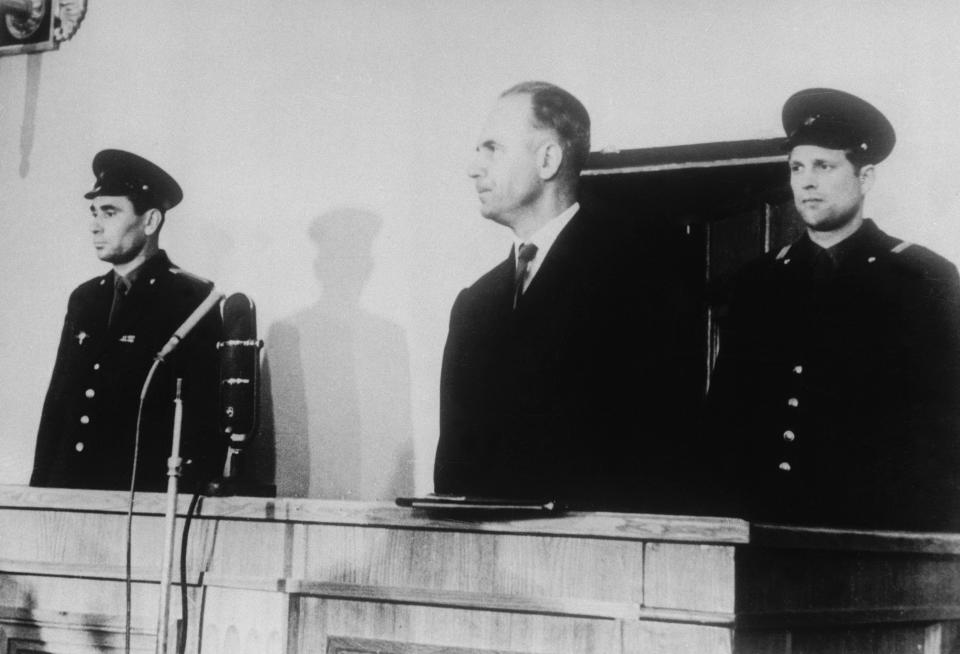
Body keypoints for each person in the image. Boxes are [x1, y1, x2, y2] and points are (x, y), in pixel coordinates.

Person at [433, 81, 697, 510]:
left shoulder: (637, 278)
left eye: (492, 148)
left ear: (548, 159)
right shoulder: (474, 304)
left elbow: (658, 453)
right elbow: (453, 469)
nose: (474, 167)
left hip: (596, 558)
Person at [710, 88, 960, 530]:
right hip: (761, 522)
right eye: (797, 168)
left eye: (824, 167)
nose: (806, 182)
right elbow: (725, 414)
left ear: (864, 179)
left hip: (870, 528)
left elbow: (940, 427)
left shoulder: (922, 278)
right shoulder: (758, 281)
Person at [30, 149, 223, 492]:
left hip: (138, 498)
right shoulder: (85, 298)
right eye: (94, 212)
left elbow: (203, 416)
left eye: (110, 212)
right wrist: (41, 491)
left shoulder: (191, 298)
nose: (94, 225)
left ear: (150, 221)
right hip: (70, 490)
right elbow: (58, 405)